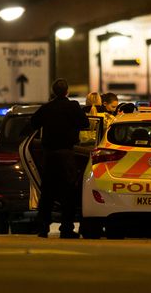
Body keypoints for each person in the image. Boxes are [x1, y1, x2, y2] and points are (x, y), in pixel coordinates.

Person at [27, 78, 89, 239]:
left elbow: (32, 123)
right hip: (66, 155)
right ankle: (66, 229)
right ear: (67, 91)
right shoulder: (73, 107)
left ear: (53, 92)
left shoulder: (46, 108)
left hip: (50, 156)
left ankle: (43, 228)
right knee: (68, 193)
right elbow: (85, 123)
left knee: (47, 193)